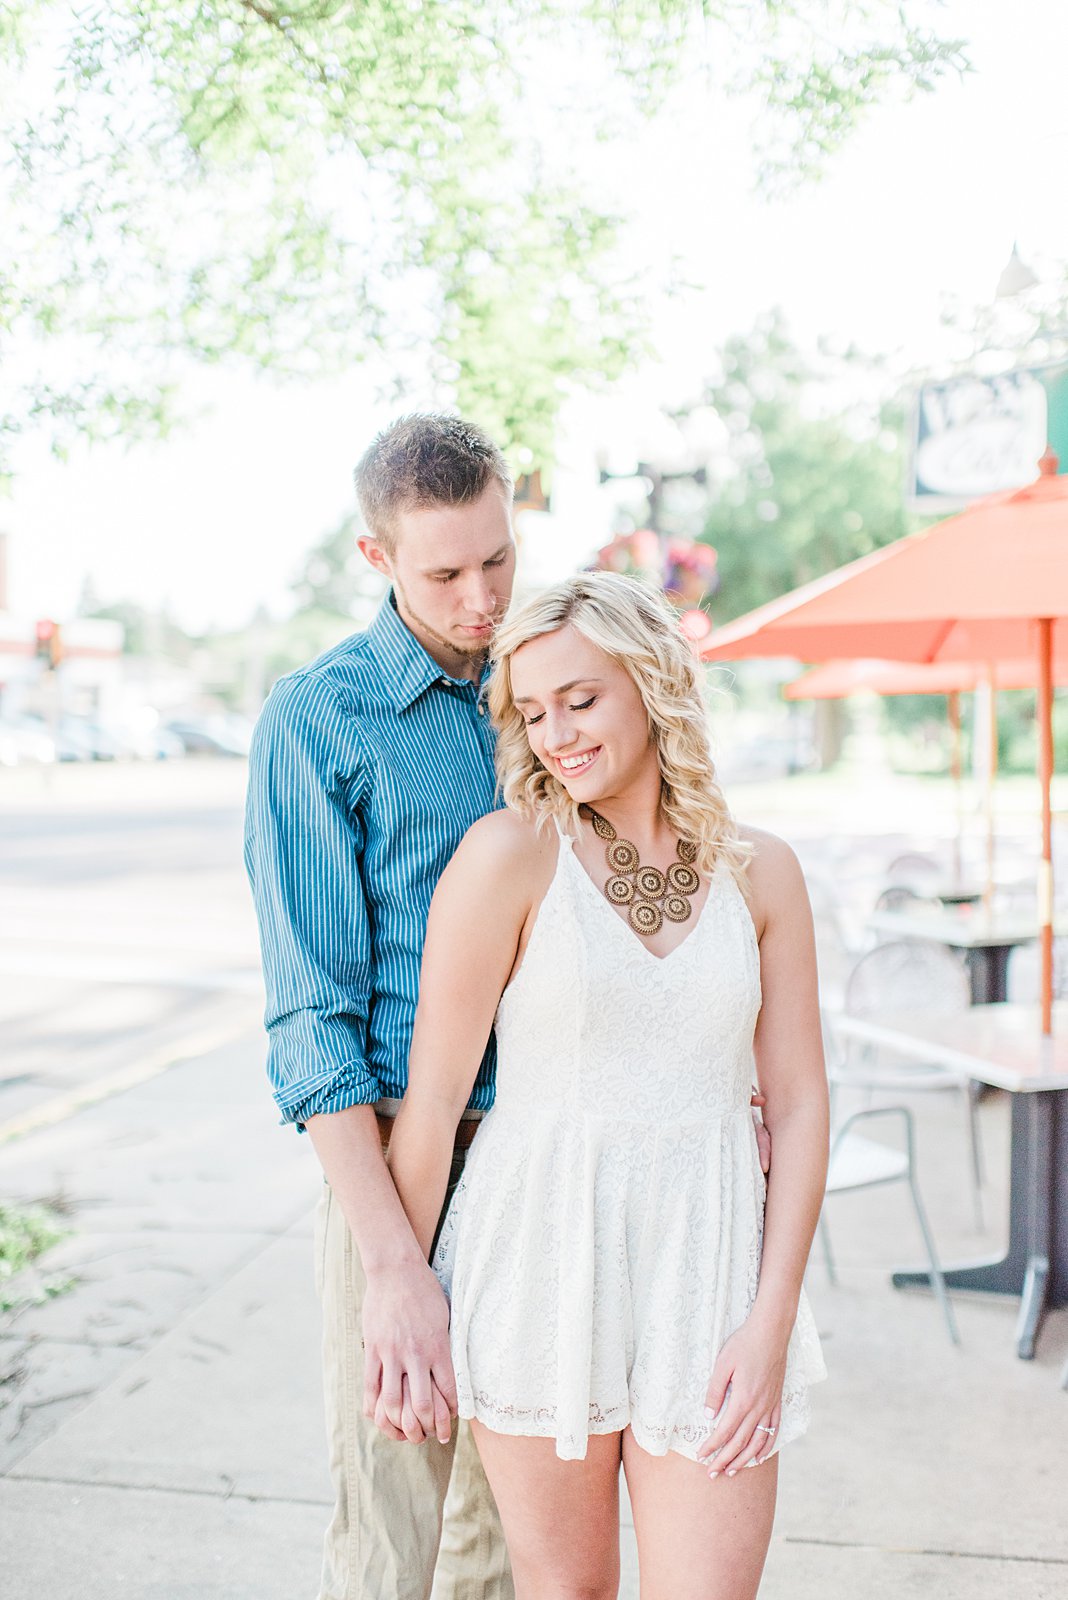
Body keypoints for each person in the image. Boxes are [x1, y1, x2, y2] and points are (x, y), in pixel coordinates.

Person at [383, 571, 828, 1600]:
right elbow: (437, 1100)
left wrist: (771, 1320)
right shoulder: (509, 858)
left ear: (653, 683)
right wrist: (395, 1296)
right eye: (533, 712)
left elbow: (800, 1103)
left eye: (580, 700)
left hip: (711, 1273)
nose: (557, 735)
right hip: (541, 1265)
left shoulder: (765, 873)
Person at [244, 414, 520, 1600]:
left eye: (499, 560)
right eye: (444, 572)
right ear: (376, 558)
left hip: (549, 1157)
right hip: (405, 1156)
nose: (479, 599)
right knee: (391, 1541)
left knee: (510, 1542)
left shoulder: (544, 687)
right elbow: (314, 1019)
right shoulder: (320, 718)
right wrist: (393, 1267)